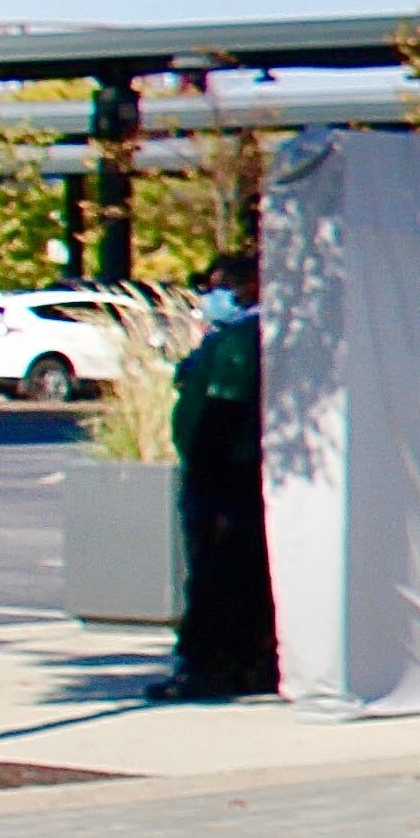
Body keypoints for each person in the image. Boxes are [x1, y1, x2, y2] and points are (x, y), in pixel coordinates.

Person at [150, 248, 273, 701]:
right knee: (239, 572)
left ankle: (207, 667)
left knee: (215, 572)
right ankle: (245, 661)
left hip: (225, 474)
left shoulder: (242, 340)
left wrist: (211, 475)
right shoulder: (237, 337)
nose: (212, 296)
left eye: (222, 286)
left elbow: (224, 410)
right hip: (231, 473)